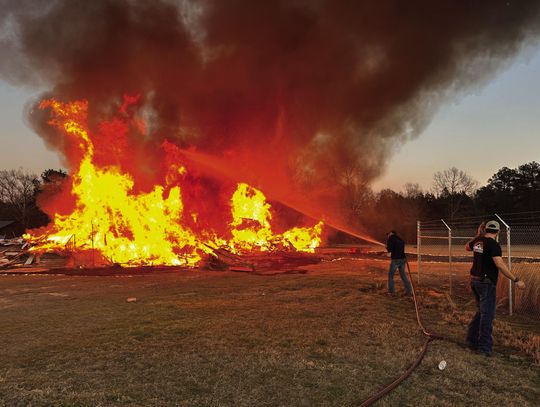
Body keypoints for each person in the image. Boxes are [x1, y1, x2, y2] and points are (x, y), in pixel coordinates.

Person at [465, 220, 526, 356]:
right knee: (487, 315)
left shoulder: (478, 241)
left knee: (481, 311)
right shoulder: (494, 245)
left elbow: (467, 247)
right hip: (486, 283)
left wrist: (478, 235)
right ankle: (484, 348)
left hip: (475, 281)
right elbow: (499, 264)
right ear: (498, 232)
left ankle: (471, 340)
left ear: (485, 229)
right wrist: (516, 280)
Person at [386, 230, 412, 296]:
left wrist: (387, 247)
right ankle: (409, 290)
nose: (388, 235)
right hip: (403, 259)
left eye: (388, 234)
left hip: (395, 260)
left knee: (390, 276)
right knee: (403, 275)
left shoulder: (391, 238)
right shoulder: (400, 239)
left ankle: (391, 292)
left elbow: (390, 249)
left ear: (391, 233)